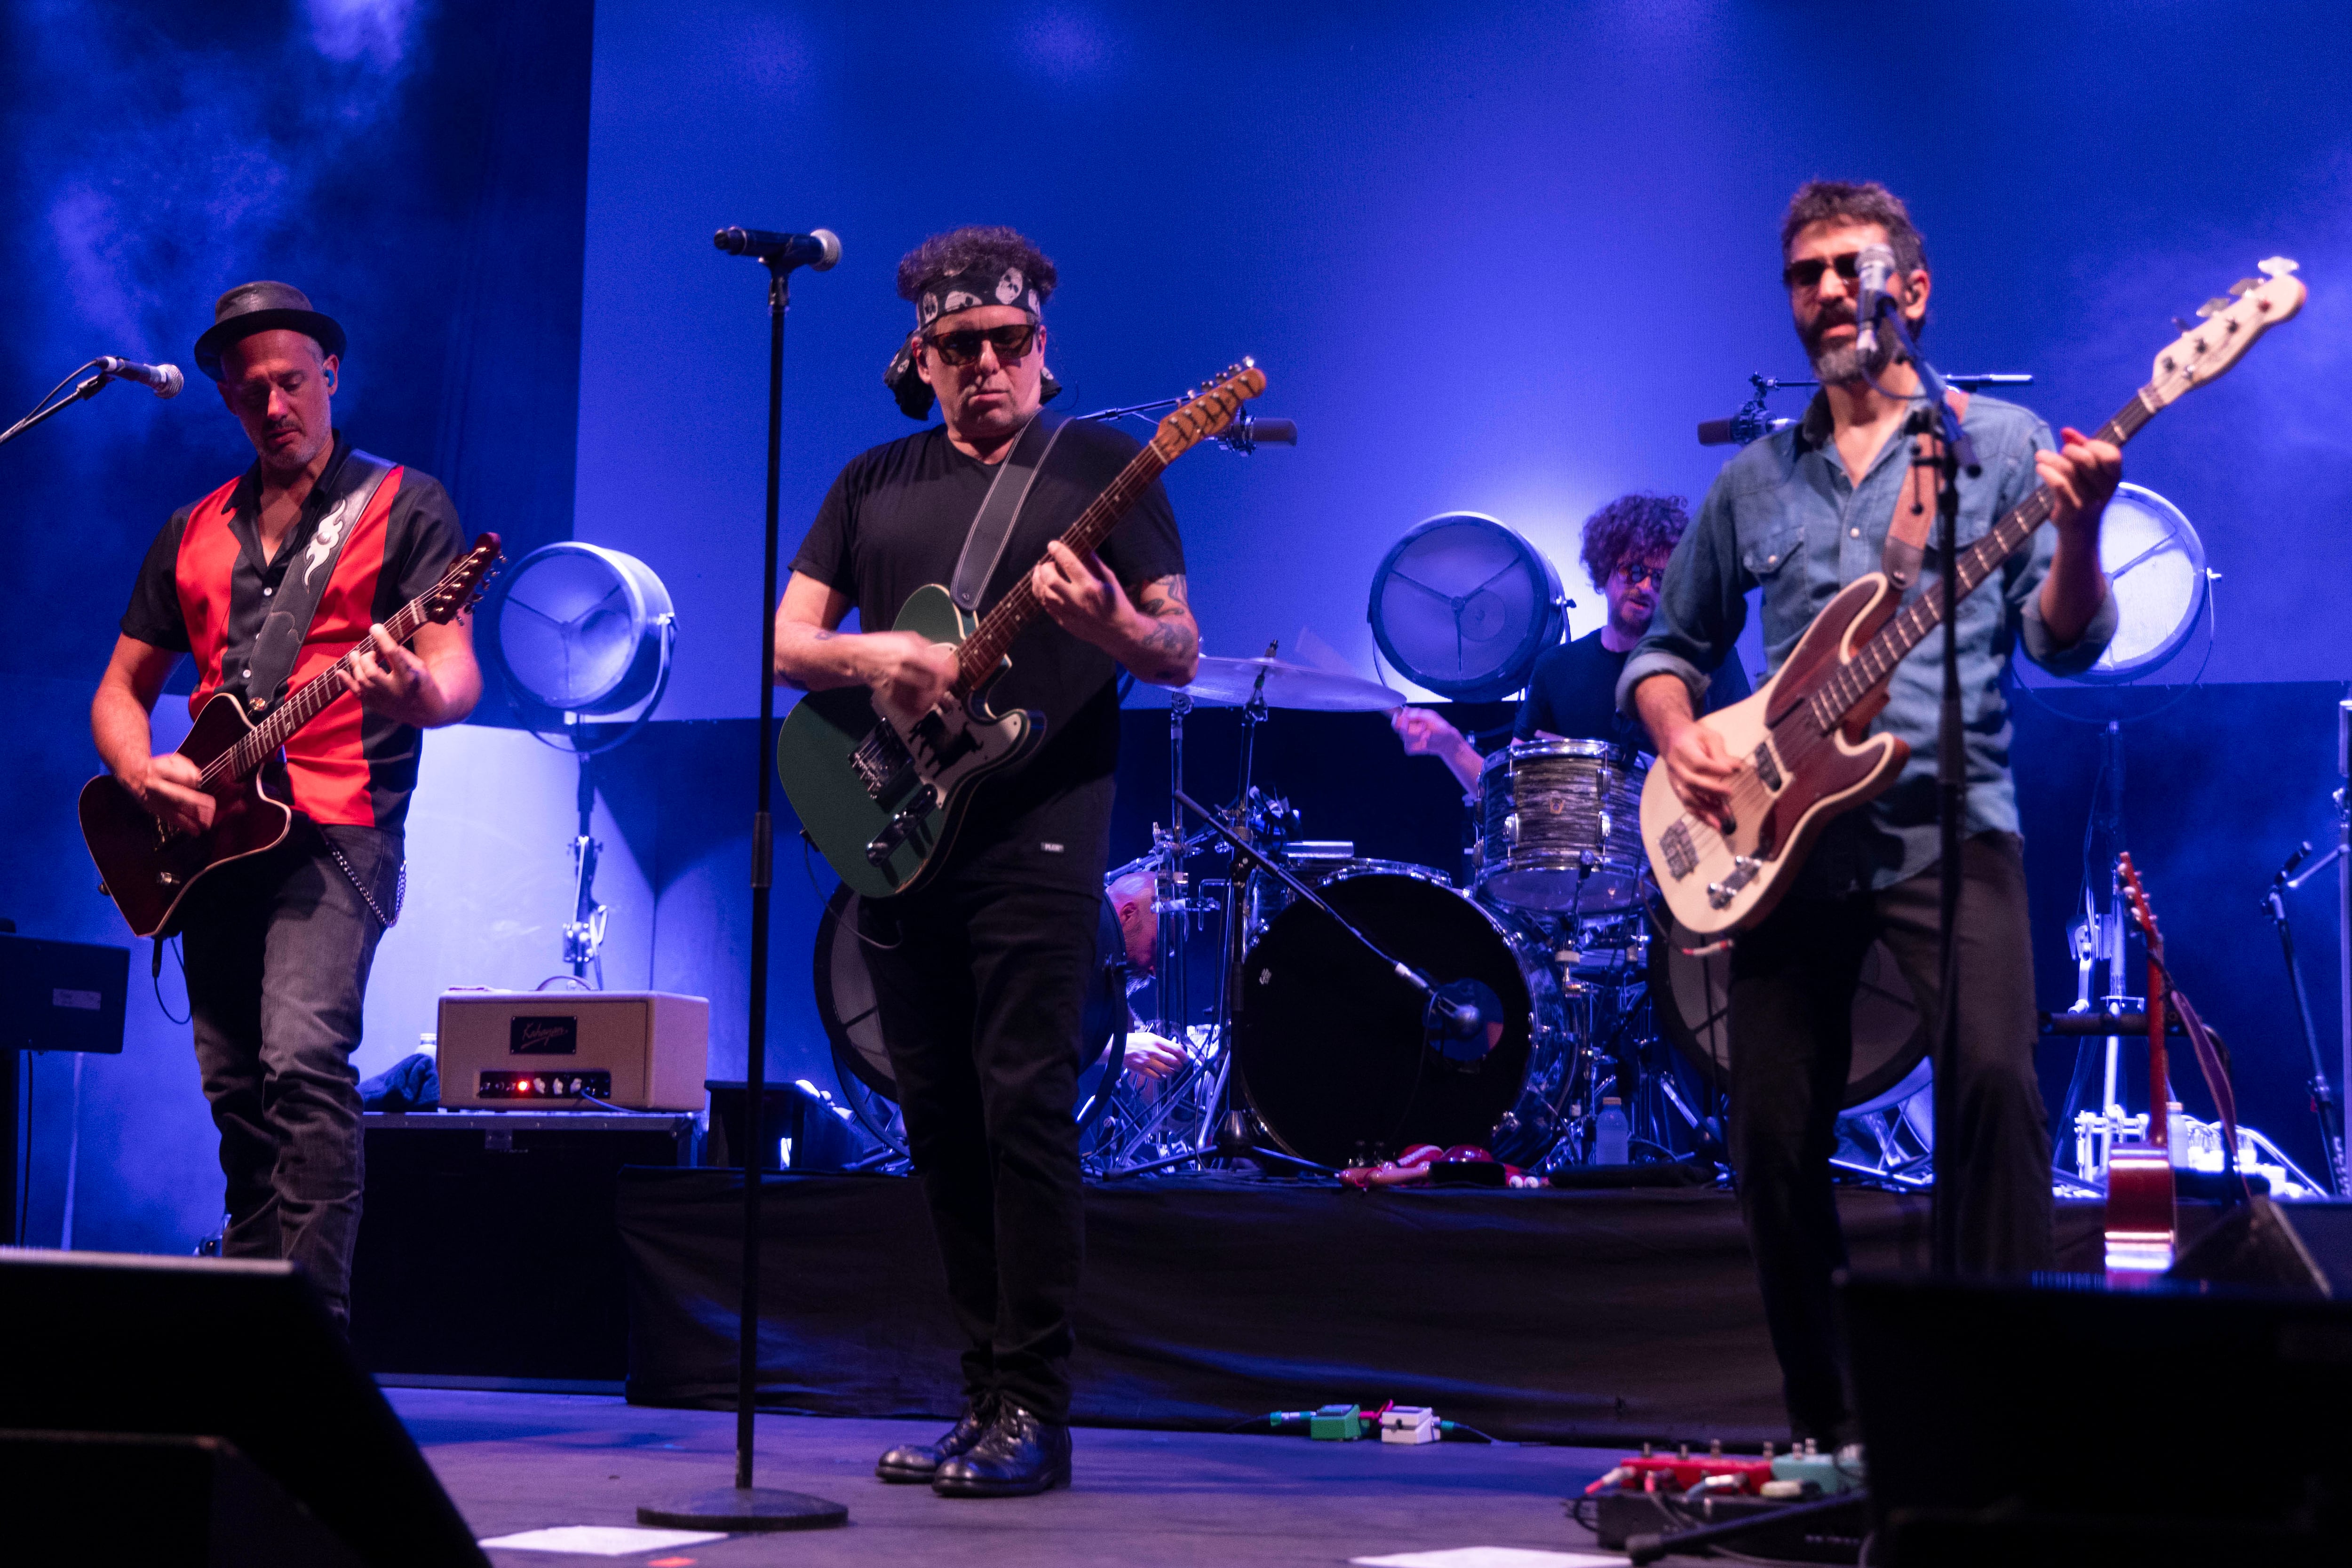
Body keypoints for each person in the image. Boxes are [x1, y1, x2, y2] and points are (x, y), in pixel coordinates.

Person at [1620, 182, 2119, 1444]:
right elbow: (1666, 647)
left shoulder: (1996, 447)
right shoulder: (1752, 485)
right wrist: (1685, 742)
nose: (1830, 293)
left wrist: (2082, 530)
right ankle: (1833, 1422)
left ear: (1915, 285)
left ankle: (1993, 1416)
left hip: (1954, 823)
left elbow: (2066, 642)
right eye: (1806, 275)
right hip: (1783, 848)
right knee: (1773, 1135)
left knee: (1998, 1091)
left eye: (1852, 267)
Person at [774, 226, 1197, 1497]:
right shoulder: (872, 481)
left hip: (1041, 819)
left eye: (1010, 343)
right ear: (924, 353)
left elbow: (1178, 645)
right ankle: (980, 1395)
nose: (989, 365)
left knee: (1023, 1102)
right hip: (903, 826)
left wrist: (1118, 624)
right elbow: (790, 644)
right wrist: (881, 662)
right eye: (962, 347)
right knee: (938, 1114)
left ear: (1042, 347)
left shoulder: (1106, 465)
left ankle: (1041, 1405)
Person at [91, 281, 480, 1329]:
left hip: (336, 830)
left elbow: (452, 674)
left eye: (295, 383)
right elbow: (120, 691)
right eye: (254, 388)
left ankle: (316, 1340)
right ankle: (249, 1338)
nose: (276, 405)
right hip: (212, 833)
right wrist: (143, 774)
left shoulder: (406, 504)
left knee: (302, 1061)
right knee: (235, 1094)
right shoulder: (194, 526)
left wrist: (414, 693)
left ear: (332, 376)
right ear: (224, 394)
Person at [1391, 493, 1751, 791]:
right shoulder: (1556, 669)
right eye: (1634, 571)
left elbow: (1746, 765)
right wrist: (1450, 744)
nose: (1644, 587)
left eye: (1661, 578)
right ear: (1606, 569)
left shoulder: (1710, 660)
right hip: (1576, 877)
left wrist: (1586, 764)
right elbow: (1506, 796)